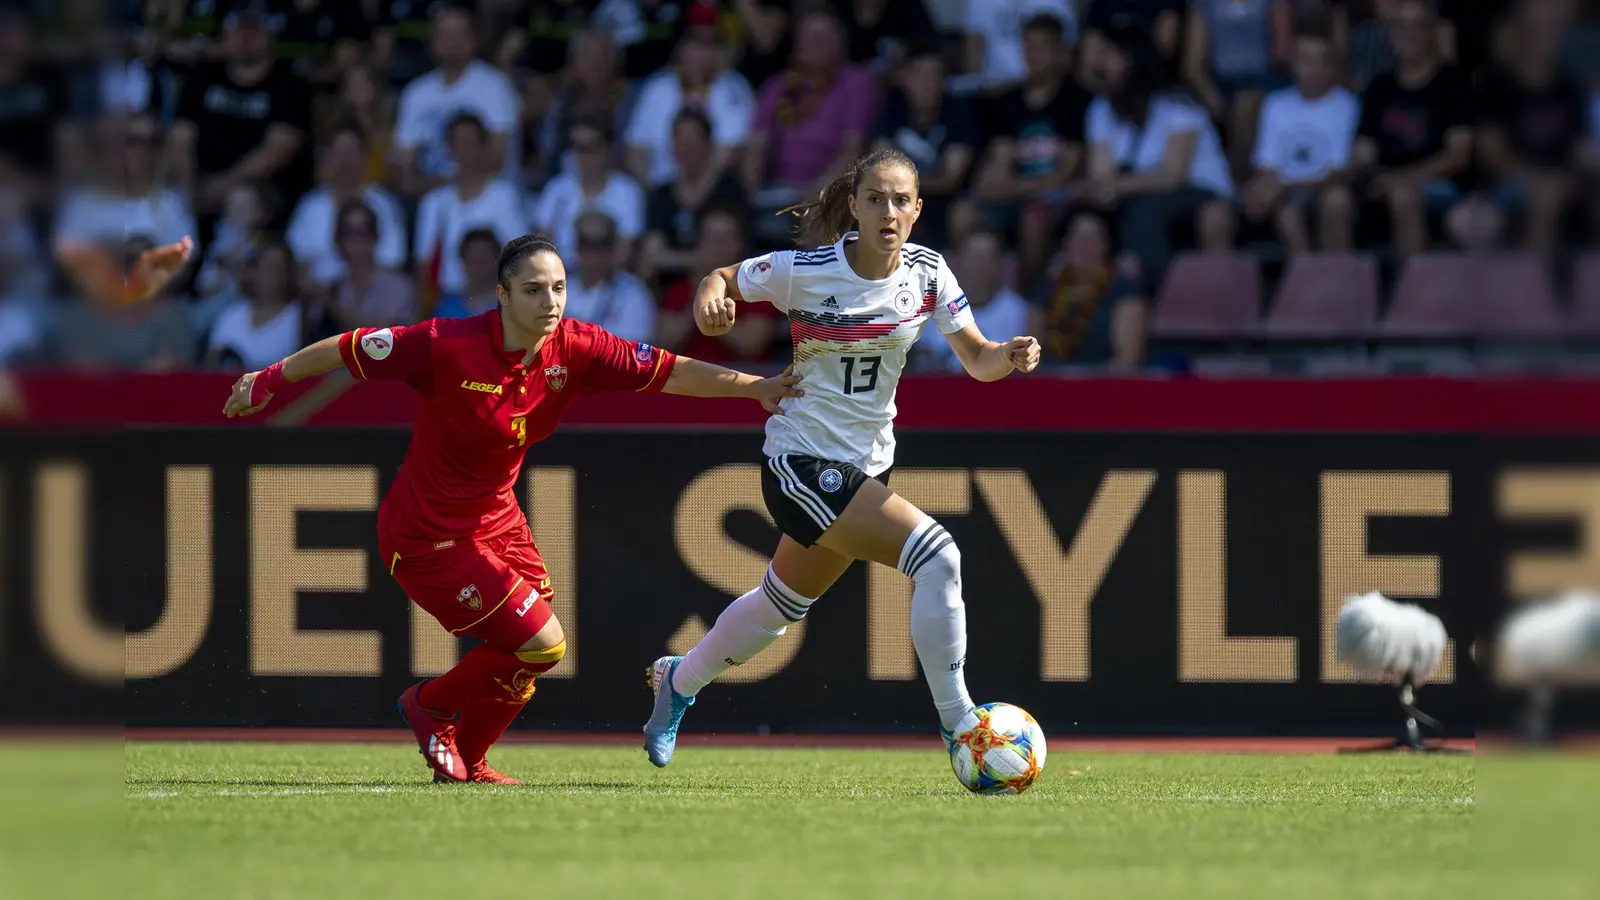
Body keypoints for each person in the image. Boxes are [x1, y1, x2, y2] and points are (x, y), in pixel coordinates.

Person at [221, 232, 802, 784]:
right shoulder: (447, 345)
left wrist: (753, 387)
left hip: (498, 522)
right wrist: (269, 377)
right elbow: (350, 348)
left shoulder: (577, 346)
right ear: (501, 295)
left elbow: (668, 373)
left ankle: (468, 763)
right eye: (533, 289)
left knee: (527, 655)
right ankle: (427, 706)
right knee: (544, 643)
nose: (550, 301)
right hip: (426, 536)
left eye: (558, 287)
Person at [642, 147, 1042, 767]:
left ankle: (680, 682)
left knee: (778, 608)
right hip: (800, 462)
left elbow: (979, 359)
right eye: (875, 198)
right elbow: (719, 277)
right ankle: (962, 724)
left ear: (916, 210)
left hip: (863, 467)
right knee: (939, 558)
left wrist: (1007, 355)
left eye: (900, 200)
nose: (888, 211)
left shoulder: (929, 274)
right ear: (853, 206)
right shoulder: (806, 271)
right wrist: (710, 301)